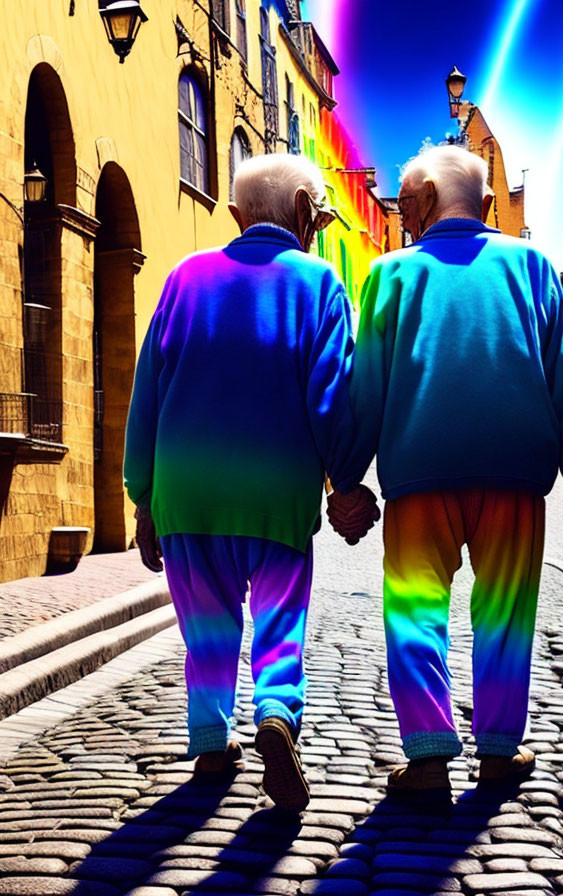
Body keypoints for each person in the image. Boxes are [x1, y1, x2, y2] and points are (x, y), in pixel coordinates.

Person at [327, 144, 563, 793]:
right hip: (513, 477)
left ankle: (426, 755)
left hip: (419, 478)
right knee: (505, 610)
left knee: (415, 610)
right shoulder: (531, 266)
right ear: (484, 207)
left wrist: (346, 478)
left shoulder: (390, 275)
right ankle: (500, 749)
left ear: (416, 208)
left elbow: (367, 387)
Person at [124, 153, 379, 811]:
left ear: (236, 217)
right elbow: (330, 395)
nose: (318, 232)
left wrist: (143, 498)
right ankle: (275, 714)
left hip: (187, 490)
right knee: (278, 617)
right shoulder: (317, 283)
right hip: (275, 492)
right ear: (302, 214)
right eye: (318, 220)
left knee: (205, 624)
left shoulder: (182, 279)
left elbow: (146, 393)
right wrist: (344, 481)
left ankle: (211, 739)